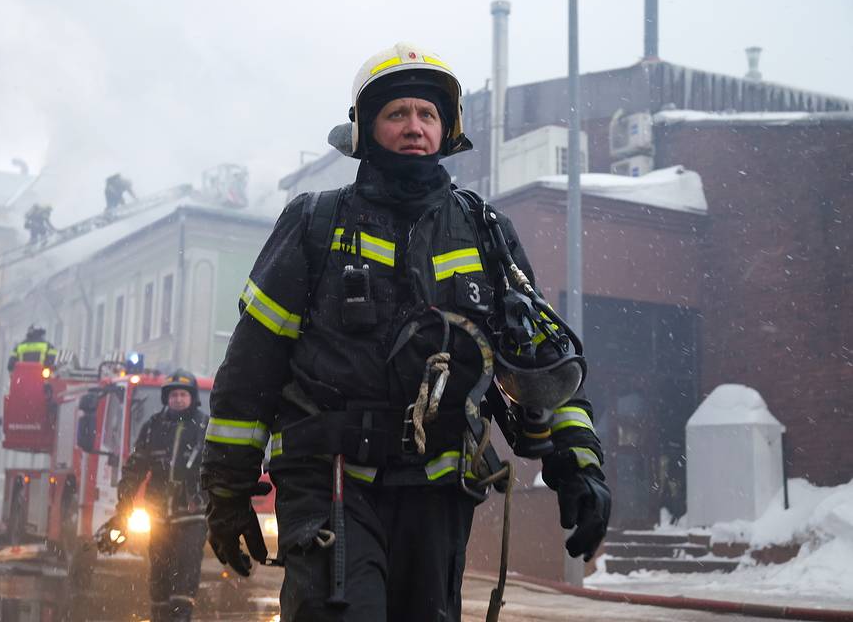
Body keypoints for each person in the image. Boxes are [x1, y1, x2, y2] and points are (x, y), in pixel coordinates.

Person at [200, 42, 611, 622]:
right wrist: (227, 484)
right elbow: (252, 367)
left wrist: (578, 463)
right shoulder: (316, 223)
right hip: (330, 482)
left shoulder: (484, 232)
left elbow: (540, 362)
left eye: (427, 114)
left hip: (437, 492)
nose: (414, 127)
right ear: (366, 130)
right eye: (397, 114)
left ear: (448, 130)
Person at [116, 370, 208, 622]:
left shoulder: (204, 428)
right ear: (167, 398)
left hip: (191, 516)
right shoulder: (152, 427)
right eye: (174, 395)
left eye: (183, 394)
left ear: (192, 398)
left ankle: (181, 618)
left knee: (186, 571)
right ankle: (159, 616)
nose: (178, 399)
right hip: (158, 517)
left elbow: (217, 469)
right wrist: (125, 499)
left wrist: (205, 497)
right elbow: (135, 466)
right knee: (158, 573)